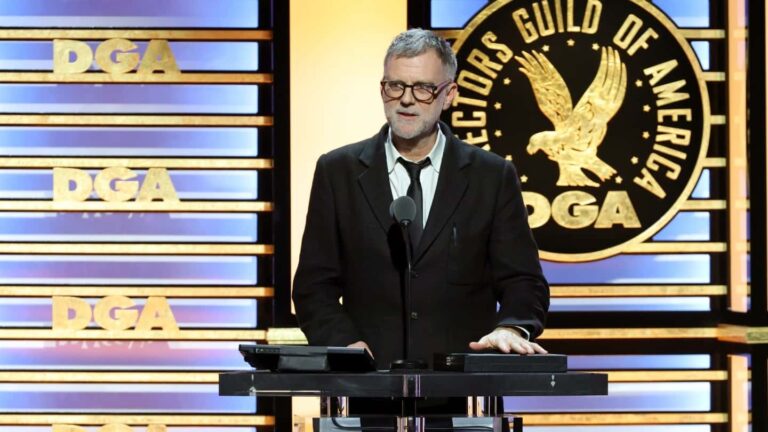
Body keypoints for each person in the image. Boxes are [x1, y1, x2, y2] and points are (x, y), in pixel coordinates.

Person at [293, 28, 549, 373]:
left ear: (449, 95)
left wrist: (511, 328)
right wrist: (345, 345)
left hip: (464, 385)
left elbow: (524, 281)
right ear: (382, 89)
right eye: (395, 86)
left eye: (423, 89)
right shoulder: (338, 171)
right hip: (368, 384)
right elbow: (313, 287)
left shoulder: (492, 176)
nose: (406, 100)